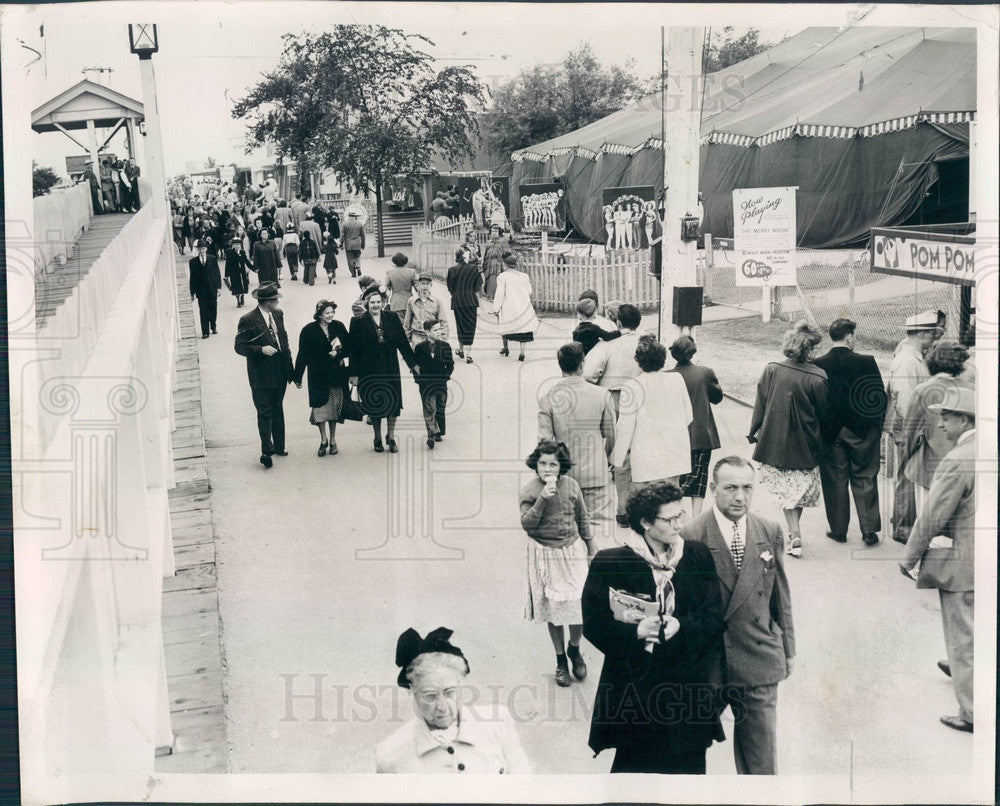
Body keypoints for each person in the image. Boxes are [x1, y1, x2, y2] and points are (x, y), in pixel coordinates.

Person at [582, 480, 725, 774]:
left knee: (688, 782)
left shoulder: (697, 555)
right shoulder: (611, 562)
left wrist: (681, 625)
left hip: (687, 692)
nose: (678, 524)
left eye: (680, 516)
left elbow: (713, 616)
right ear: (646, 522)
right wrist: (635, 632)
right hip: (637, 691)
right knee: (635, 779)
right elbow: (594, 625)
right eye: (669, 519)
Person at [679, 455, 794, 774]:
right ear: (713, 489)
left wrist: (788, 650)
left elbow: (779, 596)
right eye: (730, 488)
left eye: (747, 488)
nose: (740, 496)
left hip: (758, 658)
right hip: (709, 663)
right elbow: (682, 605)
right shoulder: (691, 534)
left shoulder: (768, 530)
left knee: (760, 759)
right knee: (687, 751)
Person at [899, 386, 975, 734]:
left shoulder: (957, 460)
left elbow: (931, 515)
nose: (941, 424)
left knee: (964, 635)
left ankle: (973, 711)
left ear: (964, 420)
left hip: (965, 563)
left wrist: (909, 557)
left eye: (947, 416)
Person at [375, 627, 530, 773]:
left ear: (461, 684)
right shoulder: (391, 754)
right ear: (413, 692)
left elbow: (523, 787)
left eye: (450, 692)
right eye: (430, 696)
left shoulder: (498, 724)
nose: (442, 707)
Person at [748, 321, 828, 557]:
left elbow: (761, 401)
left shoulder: (772, 369)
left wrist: (754, 430)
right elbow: (824, 413)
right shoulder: (818, 377)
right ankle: (795, 533)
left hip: (776, 440)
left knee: (789, 492)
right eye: (816, 348)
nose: (818, 352)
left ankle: (794, 533)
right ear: (808, 349)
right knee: (797, 491)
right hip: (806, 442)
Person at [520, 440, 595, 687]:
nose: (548, 469)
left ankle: (575, 648)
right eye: (543, 463)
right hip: (546, 554)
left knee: (578, 605)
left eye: (553, 463)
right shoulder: (530, 490)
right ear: (536, 465)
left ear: (561, 465)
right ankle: (561, 659)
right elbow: (527, 525)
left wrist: (591, 548)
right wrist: (542, 499)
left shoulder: (572, 486)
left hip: (572, 550)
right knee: (554, 609)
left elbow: (582, 518)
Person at [808, 318, 888, 545]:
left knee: (835, 479)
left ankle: (839, 529)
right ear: (849, 337)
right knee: (865, 477)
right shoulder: (867, 361)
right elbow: (877, 397)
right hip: (863, 432)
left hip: (831, 433)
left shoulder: (818, 364)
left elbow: (816, 400)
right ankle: (869, 530)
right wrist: (875, 428)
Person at [538, 343, 616, 546]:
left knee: (569, 532)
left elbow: (545, 442)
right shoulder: (602, 394)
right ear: (582, 365)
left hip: (565, 476)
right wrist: (604, 459)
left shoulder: (548, 398)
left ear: (560, 366)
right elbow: (610, 435)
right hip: (596, 474)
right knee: (599, 530)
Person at [583, 303, 644, 525]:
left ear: (618, 323)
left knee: (622, 453)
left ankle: (623, 508)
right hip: (644, 397)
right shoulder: (647, 343)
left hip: (616, 400)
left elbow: (589, 373)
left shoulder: (607, 345)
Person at [900, 341, 972, 526]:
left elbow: (910, 433)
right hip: (966, 466)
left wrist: (906, 458)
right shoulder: (971, 390)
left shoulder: (923, 391)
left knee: (928, 524)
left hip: (928, 467)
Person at [613, 336, 692, 491]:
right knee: (671, 503)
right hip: (674, 455)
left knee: (646, 505)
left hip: (645, 458)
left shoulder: (632, 386)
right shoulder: (677, 379)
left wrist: (617, 458)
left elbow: (625, 427)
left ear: (639, 361)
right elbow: (688, 416)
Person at [885, 310, 938, 542]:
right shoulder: (907, 360)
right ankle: (903, 529)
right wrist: (915, 431)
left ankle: (906, 524)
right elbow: (904, 400)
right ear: (923, 333)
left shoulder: (914, 356)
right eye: (932, 334)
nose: (935, 338)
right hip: (909, 426)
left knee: (910, 475)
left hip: (913, 426)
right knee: (908, 476)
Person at [348, 285, 418, 453]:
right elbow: (353, 349)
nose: (376, 305)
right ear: (366, 304)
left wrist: (413, 363)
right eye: (372, 302)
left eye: (378, 302)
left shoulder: (392, 317)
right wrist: (353, 373)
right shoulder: (357, 321)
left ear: (384, 302)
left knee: (393, 403)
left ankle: (391, 436)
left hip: (390, 367)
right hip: (368, 369)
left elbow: (402, 342)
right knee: (374, 404)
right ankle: (378, 437)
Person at [234, 282, 294, 468]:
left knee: (277, 407)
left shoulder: (278, 314)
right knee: (264, 410)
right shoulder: (248, 319)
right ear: (267, 302)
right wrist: (260, 349)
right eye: (275, 299)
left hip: (279, 371)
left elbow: (284, 340)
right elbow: (239, 346)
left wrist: (291, 371)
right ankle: (266, 449)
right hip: (260, 374)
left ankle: (280, 446)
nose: (277, 301)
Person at [668, 336, 723, 517]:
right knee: (699, 476)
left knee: (677, 475)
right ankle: (696, 516)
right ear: (693, 352)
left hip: (675, 434)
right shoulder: (705, 372)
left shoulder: (667, 376)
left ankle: (676, 512)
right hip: (701, 432)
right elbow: (717, 398)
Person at [293, 300, 350, 457]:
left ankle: (332, 440)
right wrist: (297, 376)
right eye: (327, 313)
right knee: (319, 408)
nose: (331, 315)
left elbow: (350, 346)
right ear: (319, 314)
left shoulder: (338, 326)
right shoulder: (308, 330)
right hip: (317, 375)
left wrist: (338, 353)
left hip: (336, 374)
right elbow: (302, 354)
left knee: (333, 408)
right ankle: (323, 439)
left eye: (332, 312)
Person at [413, 319, 454, 449]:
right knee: (429, 408)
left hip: (441, 383)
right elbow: (415, 366)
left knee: (440, 407)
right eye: (435, 330)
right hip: (426, 384)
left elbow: (450, 364)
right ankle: (431, 433)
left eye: (439, 329)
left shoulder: (445, 346)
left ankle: (437, 430)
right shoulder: (419, 348)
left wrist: (445, 377)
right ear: (427, 332)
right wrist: (419, 380)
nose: (439, 332)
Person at [491, 254, 538, 361]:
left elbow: (500, 294)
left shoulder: (502, 277)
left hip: (509, 305)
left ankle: (505, 348)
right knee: (523, 329)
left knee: (504, 326)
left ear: (505, 265)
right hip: (523, 305)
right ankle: (522, 352)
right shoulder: (524, 276)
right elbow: (529, 291)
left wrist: (496, 308)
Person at [445, 248, 483, 363]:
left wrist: (456, 293)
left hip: (457, 301)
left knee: (460, 325)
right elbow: (478, 286)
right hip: (471, 301)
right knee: (470, 326)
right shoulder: (473, 269)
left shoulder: (452, 270)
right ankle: (469, 354)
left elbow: (450, 288)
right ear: (466, 257)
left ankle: (461, 349)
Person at [188, 239, 222, 339]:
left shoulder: (212, 259)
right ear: (197, 250)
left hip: (212, 289)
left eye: (203, 249)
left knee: (213, 309)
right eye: (199, 249)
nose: (201, 251)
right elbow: (192, 278)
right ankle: (205, 331)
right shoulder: (193, 262)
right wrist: (192, 293)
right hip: (201, 291)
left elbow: (217, 274)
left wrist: (219, 288)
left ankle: (213, 326)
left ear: (206, 249)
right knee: (203, 310)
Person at [403, 272, 448, 347]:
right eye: (422, 283)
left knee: (432, 357)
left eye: (427, 284)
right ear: (418, 285)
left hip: (432, 336)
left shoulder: (437, 301)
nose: (425, 286)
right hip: (417, 336)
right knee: (418, 357)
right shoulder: (411, 301)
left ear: (431, 285)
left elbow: (442, 320)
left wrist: (443, 337)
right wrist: (407, 338)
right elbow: (407, 322)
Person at [479, 226, 510, 300]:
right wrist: (483, 264)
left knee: (497, 281)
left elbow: (507, 254)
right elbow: (485, 254)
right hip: (489, 264)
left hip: (498, 265)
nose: (494, 233)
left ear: (499, 232)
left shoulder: (503, 242)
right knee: (489, 280)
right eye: (492, 231)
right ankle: (490, 297)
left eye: (496, 231)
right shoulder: (488, 243)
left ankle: (496, 298)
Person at [224, 238, 252, 308]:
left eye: (239, 245)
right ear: (233, 245)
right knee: (236, 287)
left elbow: (247, 262)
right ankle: (238, 301)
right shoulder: (230, 253)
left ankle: (242, 297)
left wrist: (254, 268)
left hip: (242, 272)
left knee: (243, 286)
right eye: (236, 245)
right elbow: (227, 265)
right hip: (234, 273)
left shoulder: (242, 253)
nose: (237, 246)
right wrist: (226, 275)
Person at [341, 210, 366, 277]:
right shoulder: (359, 223)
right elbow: (362, 235)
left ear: (349, 216)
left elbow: (342, 235)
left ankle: (353, 273)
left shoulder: (345, 224)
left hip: (348, 244)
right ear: (354, 216)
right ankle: (358, 267)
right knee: (357, 257)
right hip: (357, 243)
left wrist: (341, 243)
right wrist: (363, 244)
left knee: (350, 259)